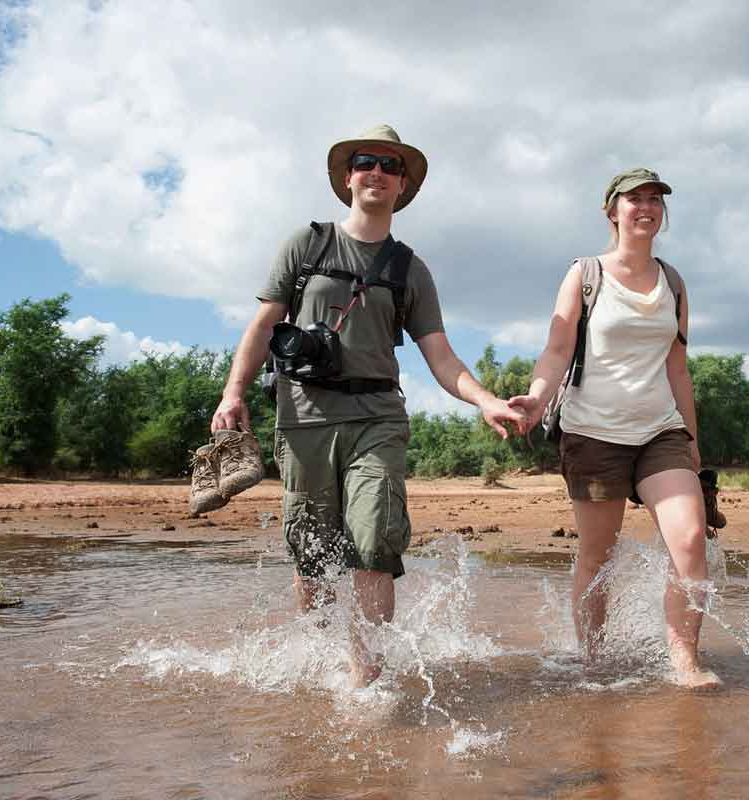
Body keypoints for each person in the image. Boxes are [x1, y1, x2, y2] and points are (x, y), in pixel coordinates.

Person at [210, 124, 524, 687]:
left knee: (374, 539)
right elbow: (263, 325)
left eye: (389, 164)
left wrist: (486, 401)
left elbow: (440, 354)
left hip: (377, 418)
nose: (376, 171)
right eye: (365, 162)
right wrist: (234, 392)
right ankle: (320, 660)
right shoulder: (306, 246)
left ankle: (367, 676)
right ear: (349, 177)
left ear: (402, 185)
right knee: (312, 548)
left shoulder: (409, 269)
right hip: (303, 418)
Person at [507, 168, 720, 688]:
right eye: (634, 200)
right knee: (599, 556)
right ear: (613, 211)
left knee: (691, 540)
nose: (645, 208)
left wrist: (692, 445)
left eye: (654, 200)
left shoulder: (673, 281)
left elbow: (677, 366)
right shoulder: (585, 273)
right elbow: (557, 347)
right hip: (592, 432)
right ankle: (594, 661)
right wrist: (535, 399)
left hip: (660, 432)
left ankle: (684, 663)